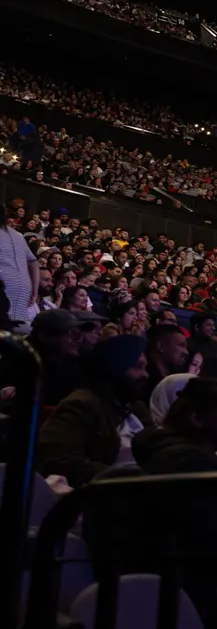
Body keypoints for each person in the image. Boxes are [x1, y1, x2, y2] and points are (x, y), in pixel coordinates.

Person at [36, 334, 150, 486]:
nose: (146, 375)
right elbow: (57, 461)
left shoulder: (137, 407)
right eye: (137, 367)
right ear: (116, 367)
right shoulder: (81, 404)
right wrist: (129, 479)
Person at [0, 206, 39, 330]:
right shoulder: (18, 235)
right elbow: (33, 263)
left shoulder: (18, 235)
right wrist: (34, 289)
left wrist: (35, 289)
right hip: (14, 287)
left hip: (12, 288)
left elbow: (33, 262)